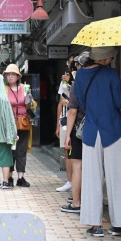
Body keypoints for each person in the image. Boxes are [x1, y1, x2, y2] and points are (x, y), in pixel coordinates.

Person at [74, 46, 121, 238]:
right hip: (113, 130)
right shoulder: (111, 74)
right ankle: (118, 224)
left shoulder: (80, 75)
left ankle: (95, 224)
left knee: (91, 177)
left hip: (92, 131)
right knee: (118, 177)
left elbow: (80, 101)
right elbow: (119, 101)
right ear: (106, 58)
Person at [61, 52, 88, 214]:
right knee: (92, 166)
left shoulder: (78, 83)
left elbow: (72, 112)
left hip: (79, 129)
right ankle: (89, 200)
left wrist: (68, 134)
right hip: (96, 129)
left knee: (77, 165)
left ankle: (77, 202)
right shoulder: (99, 80)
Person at [4, 63, 33, 187]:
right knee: (10, 151)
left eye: (12, 74)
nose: (10, 77)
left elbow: (32, 105)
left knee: (21, 151)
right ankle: (9, 177)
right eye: (8, 74)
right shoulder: (3, 89)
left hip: (23, 123)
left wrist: (30, 101)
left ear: (17, 76)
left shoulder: (24, 88)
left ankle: (21, 178)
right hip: (9, 124)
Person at [55, 54, 76, 192]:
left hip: (79, 120)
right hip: (65, 119)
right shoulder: (64, 81)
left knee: (77, 152)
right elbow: (60, 103)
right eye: (69, 62)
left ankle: (77, 180)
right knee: (67, 150)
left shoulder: (81, 78)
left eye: (72, 62)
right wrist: (57, 124)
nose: (70, 65)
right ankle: (69, 181)